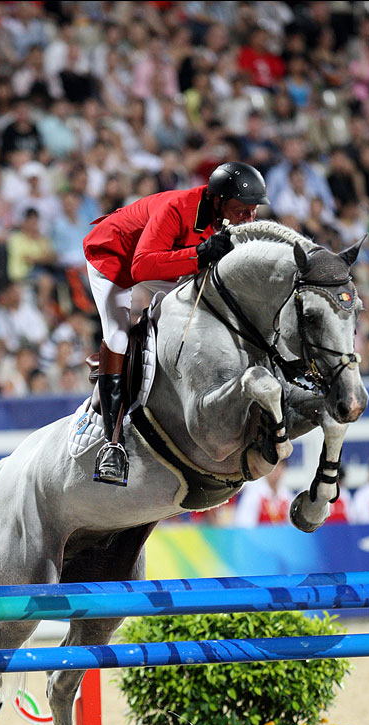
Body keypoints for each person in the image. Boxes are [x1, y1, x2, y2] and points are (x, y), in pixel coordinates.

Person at [82, 161, 269, 486]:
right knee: (118, 336)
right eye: (241, 210)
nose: (248, 218)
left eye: (252, 211)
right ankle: (112, 445)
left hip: (162, 261)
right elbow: (140, 268)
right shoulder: (176, 208)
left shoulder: (224, 217)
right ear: (218, 200)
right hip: (113, 258)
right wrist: (200, 253)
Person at [233, 462, 294, 527]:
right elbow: (243, 525)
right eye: (274, 467)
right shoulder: (253, 494)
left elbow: (292, 525)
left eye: (279, 467)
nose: (276, 471)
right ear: (266, 469)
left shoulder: (287, 496)